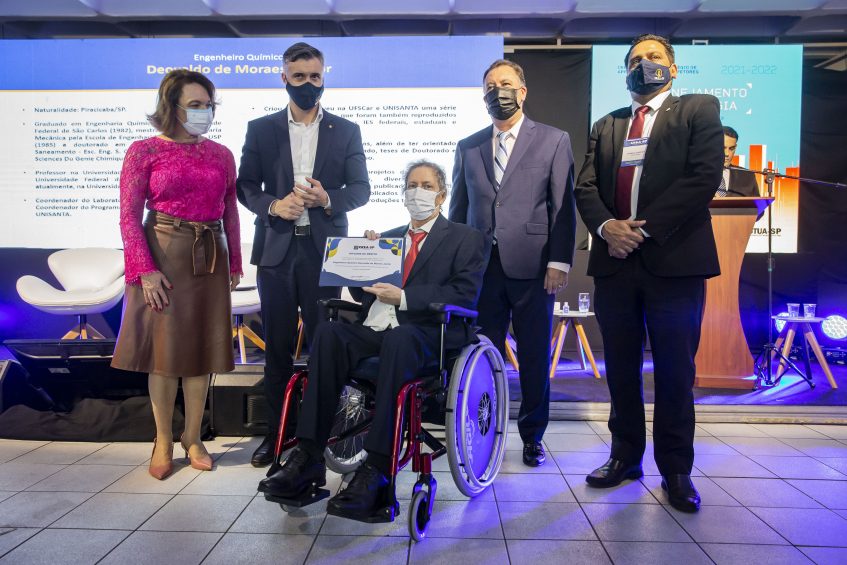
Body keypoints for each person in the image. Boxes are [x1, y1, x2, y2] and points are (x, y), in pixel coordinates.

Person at [258, 160, 486, 522]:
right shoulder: (387, 239)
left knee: (400, 339)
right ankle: (308, 457)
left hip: (429, 334)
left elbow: (465, 293)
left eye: (427, 186)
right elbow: (362, 295)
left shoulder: (465, 238)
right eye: (412, 185)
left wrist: (405, 298)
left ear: (442, 196)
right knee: (328, 333)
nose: (418, 192)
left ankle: (377, 470)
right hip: (378, 330)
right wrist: (360, 262)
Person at [574, 34, 723, 512]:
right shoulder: (608, 124)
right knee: (620, 368)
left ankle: (676, 469)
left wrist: (642, 229)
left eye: (654, 57)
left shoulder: (697, 109)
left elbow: (703, 176)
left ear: (673, 69)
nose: (644, 65)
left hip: (674, 262)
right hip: (615, 263)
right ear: (625, 72)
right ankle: (624, 456)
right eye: (635, 60)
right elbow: (585, 187)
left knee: (675, 370)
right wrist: (607, 227)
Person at [237, 42, 370, 467]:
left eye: (315, 76)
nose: (308, 84)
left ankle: (321, 435)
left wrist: (328, 198)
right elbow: (245, 186)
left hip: (324, 253)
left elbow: (361, 189)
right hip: (276, 253)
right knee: (276, 350)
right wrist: (274, 206)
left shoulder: (346, 130)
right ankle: (276, 436)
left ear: (323, 77)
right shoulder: (261, 129)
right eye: (299, 77)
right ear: (284, 79)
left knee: (324, 347)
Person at [112, 69, 242, 480]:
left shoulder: (222, 154)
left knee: (202, 352)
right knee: (165, 356)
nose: (205, 112)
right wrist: (145, 271)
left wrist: (235, 262)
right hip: (163, 254)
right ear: (172, 107)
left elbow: (230, 209)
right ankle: (164, 439)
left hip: (211, 255)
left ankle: (193, 437)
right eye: (195, 105)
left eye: (209, 105)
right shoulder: (144, 150)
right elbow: (129, 216)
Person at [449, 59, 576, 467]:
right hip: (482, 271)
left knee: (535, 355)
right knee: (481, 356)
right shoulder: (468, 146)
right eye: (490, 85)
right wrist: (453, 265)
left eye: (505, 84)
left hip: (534, 268)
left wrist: (559, 261)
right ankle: (483, 432)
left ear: (522, 92)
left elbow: (563, 207)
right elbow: (458, 212)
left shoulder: (553, 140)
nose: (497, 91)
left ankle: (532, 435)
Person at [717, 126, 760, 197]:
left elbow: (758, 203)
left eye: (731, 148)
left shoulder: (747, 176)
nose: (727, 154)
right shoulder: (698, 173)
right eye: (723, 148)